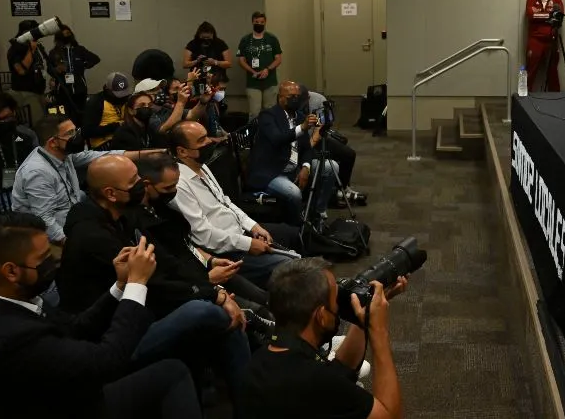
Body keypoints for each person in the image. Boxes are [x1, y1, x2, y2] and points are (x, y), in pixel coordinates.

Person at [0, 212, 203, 419]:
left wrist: (121, 285)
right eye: (45, 259)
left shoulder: (7, 299)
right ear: (11, 271)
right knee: (173, 369)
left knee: (170, 365)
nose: (55, 261)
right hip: (67, 407)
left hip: (64, 395)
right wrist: (138, 283)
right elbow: (106, 361)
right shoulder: (10, 335)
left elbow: (74, 327)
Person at [57, 156, 251, 404]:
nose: (142, 184)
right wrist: (214, 295)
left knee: (225, 319)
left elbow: (164, 259)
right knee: (205, 311)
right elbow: (154, 284)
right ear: (111, 193)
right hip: (112, 334)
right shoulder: (92, 236)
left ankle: (245, 399)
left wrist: (211, 286)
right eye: (134, 181)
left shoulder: (122, 216)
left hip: (143, 309)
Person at [240, 257, 406, 419]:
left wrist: (365, 316)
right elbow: (390, 415)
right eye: (335, 301)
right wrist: (379, 331)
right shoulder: (315, 382)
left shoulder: (257, 363)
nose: (338, 307)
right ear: (321, 316)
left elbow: (341, 372)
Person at [170, 121, 298, 290]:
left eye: (207, 136)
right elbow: (203, 235)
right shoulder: (179, 185)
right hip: (226, 249)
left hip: (240, 231)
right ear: (182, 151)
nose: (209, 142)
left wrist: (253, 226)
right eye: (201, 140)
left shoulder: (203, 167)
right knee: (289, 266)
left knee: (291, 234)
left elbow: (225, 201)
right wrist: (248, 244)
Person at [136, 152, 270, 306]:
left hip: (204, 267)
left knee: (263, 299)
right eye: (168, 187)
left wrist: (210, 260)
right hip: (189, 288)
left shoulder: (163, 208)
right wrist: (206, 280)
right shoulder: (140, 224)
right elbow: (168, 271)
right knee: (257, 310)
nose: (174, 191)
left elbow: (187, 245)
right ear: (146, 185)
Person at [10, 114, 160, 248]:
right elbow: (45, 220)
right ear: (52, 142)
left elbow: (101, 156)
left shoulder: (64, 155)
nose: (76, 136)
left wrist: (146, 154)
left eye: (75, 130)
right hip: (51, 237)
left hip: (76, 220)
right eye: (70, 133)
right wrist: (74, 244)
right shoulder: (37, 173)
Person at [249, 82, 338, 225]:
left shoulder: (299, 116)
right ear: (281, 98)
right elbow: (277, 139)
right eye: (291, 96)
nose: (295, 99)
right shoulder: (268, 115)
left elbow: (307, 148)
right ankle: (299, 224)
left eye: (297, 96)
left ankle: (318, 212)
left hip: (294, 165)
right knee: (294, 193)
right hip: (272, 171)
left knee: (331, 167)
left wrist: (306, 167)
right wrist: (302, 128)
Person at [300, 86, 367, 207]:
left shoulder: (318, 100)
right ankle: (328, 196)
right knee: (321, 164)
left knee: (348, 154)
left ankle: (342, 188)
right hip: (298, 144)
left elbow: (320, 127)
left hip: (316, 139)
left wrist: (311, 144)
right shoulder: (290, 105)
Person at [46, 24, 100, 122]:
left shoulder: (79, 50)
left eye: (68, 33)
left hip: (79, 88)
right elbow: (49, 69)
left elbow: (95, 59)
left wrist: (84, 65)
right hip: (63, 89)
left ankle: (80, 133)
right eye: (64, 34)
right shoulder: (54, 52)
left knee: (81, 114)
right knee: (65, 117)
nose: (67, 36)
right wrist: (56, 70)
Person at [236, 12, 282, 119]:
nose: (259, 24)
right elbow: (241, 60)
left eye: (261, 22)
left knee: (270, 111)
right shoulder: (245, 40)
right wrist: (252, 71)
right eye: (256, 22)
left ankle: (271, 133)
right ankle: (254, 134)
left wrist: (267, 69)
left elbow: (278, 59)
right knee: (254, 112)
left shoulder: (271, 39)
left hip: (270, 81)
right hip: (253, 82)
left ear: (265, 22)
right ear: (252, 22)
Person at [524, 0, 564, 92]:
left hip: (552, 40)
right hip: (535, 40)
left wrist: (540, 15)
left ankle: (556, 99)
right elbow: (531, 16)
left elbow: (559, 19)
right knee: (530, 70)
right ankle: (524, 99)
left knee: (553, 71)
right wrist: (549, 15)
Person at [6, 19, 49, 127]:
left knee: (43, 121)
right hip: (25, 92)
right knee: (36, 122)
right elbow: (21, 71)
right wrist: (31, 51)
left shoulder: (36, 46)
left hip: (38, 91)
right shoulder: (15, 48)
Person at [82, 72, 133, 149]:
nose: (121, 97)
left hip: (124, 138)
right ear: (107, 89)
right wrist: (115, 127)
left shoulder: (127, 99)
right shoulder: (96, 102)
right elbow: (87, 131)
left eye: (124, 93)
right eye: (118, 94)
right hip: (103, 143)